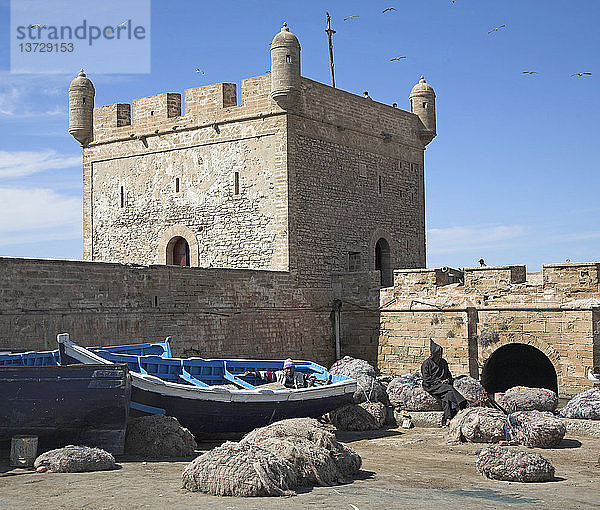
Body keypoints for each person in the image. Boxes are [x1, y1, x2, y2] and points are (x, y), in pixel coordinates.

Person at [421, 340, 468, 427]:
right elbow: (426, 378)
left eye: (440, 353)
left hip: (443, 385)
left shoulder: (443, 362)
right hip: (431, 385)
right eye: (438, 353)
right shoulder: (426, 364)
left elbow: (449, 374)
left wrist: (447, 380)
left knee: (445, 397)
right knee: (449, 388)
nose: (439, 355)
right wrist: (439, 382)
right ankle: (462, 405)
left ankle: (448, 419)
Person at [244, 358, 308, 389]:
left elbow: (309, 376)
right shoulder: (279, 375)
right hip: (284, 393)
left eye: (291, 368)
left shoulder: (299, 375)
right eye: (287, 368)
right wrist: (252, 373)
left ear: (294, 368)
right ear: (284, 369)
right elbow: (267, 374)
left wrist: (312, 380)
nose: (289, 370)